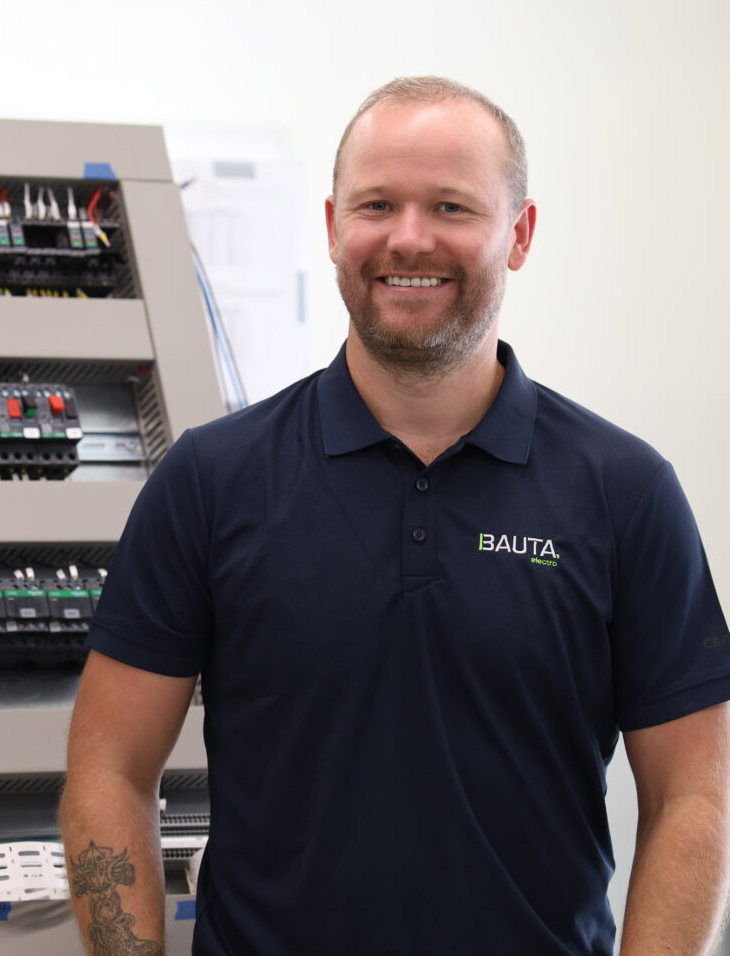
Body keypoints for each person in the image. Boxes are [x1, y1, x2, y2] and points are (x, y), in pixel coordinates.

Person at [59, 76, 730, 955]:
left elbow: (695, 796)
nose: (409, 238)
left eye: (452, 206)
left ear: (520, 234)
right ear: (334, 225)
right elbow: (109, 770)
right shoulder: (210, 482)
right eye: (377, 204)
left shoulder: (626, 492)